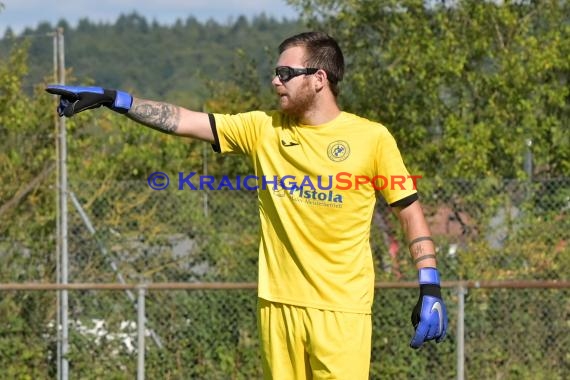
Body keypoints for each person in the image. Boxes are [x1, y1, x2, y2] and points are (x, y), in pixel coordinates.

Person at [46, 31, 447, 379]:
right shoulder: (262, 129)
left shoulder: (372, 138)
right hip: (276, 304)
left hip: (341, 311)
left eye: (286, 73)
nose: (276, 81)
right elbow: (186, 121)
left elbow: (409, 211)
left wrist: (430, 285)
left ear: (320, 79)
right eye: (276, 72)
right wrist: (116, 99)